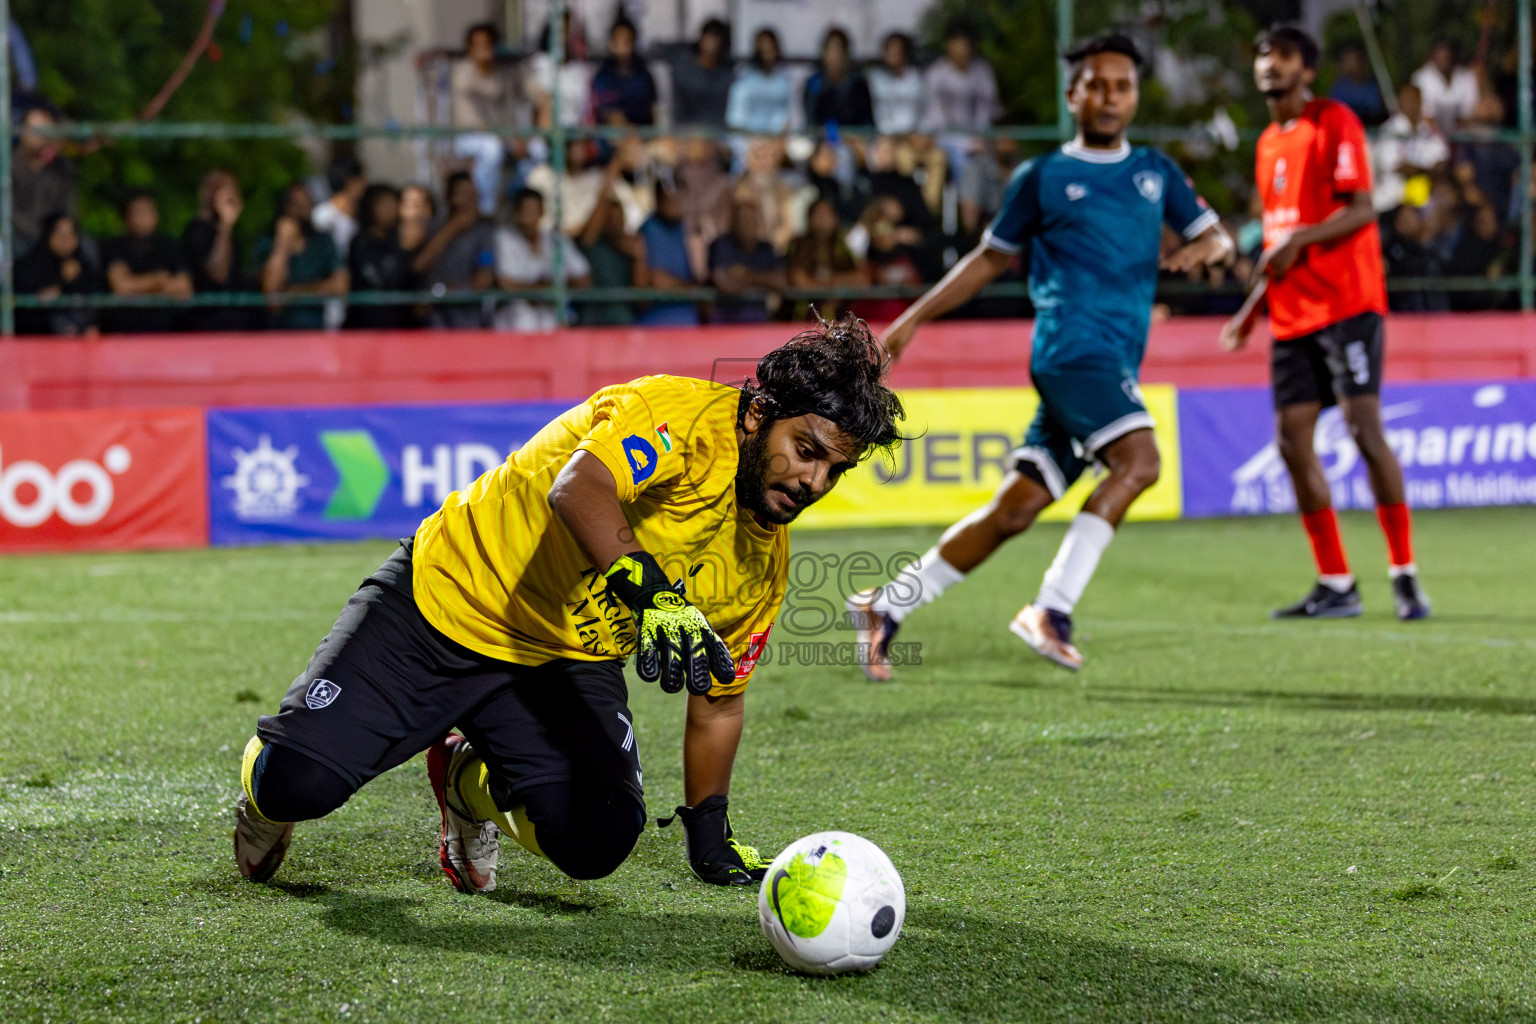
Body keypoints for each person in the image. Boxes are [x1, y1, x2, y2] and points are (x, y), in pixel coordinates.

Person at [231, 316, 906, 892]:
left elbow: (721, 697)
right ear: (760, 415)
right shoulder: (677, 414)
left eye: (834, 468)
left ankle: (466, 780)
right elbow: (578, 489)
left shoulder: (764, 558)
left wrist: (708, 832)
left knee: (600, 838)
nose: (814, 479)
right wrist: (654, 596)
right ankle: (270, 793)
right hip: (448, 601)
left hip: (561, 657)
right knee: (297, 785)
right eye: (806, 450)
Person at [847, 34, 1233, 676]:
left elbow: (1216, 234)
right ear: (1072, 94)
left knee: (1017, 509)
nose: (1110, 97)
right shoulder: (1045, 177)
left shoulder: (1156, 172)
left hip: (1111, 362)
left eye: (1123, 86)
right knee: (1140, 463)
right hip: (1071, 353)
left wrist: (1209, 250)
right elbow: (988, 260)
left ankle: (888, 603)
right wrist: (912, 318)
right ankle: (1051, 609)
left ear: (1134, 96)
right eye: (1097, 85)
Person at [1220, 27, 1429, 622]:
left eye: (1283, 57)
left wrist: (1301, 242)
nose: (1270, 65)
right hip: (1290, 314)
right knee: (1291, 442)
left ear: (1305, 71)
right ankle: (1336, 582)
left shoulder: (1333, 121)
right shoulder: (1265, 145)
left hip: (1346, 305)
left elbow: (1361, 209)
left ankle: (1404, 573)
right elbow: (1277, 241)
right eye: (1263, 56)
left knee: (1366, 430)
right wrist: (1248, 311)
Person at [252, 182, 349, 331]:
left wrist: (296, 293)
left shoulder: (322, 241)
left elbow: (340, 285)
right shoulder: (268, 242)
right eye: (298, 204)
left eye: (308, 201)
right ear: (286, 207)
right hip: (277, 334)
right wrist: (282, 245)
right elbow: (272, 298)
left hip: (314, 332)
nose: (305, 208)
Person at [493, 187, 592, 331]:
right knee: (522, 318)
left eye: (534, 210)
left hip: (552, 317)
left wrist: (543, 289)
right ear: (516, 213)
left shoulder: (557, 241)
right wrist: (548, 288)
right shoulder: (504, 238)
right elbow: (506, 284)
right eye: (525, 210)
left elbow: (583, 279)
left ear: (542, 212)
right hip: (515, 319)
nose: (529, 216)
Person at [450, 22, 523, 215]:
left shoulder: (503, 73)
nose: (484, 49)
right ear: (470, 48)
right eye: (478, 45)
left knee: (537, 151)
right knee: (491, 149)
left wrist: (519, 138)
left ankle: (514, 203)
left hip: (502, 135)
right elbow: (476, 123)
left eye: (488, 44)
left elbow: (528, 97)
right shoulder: (462, 72)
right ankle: (485, 208)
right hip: (469, 137)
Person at [101, 191, 193, 334]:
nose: (143, 217)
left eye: (148, 211)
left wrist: (138, 284)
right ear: (126, 217)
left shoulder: (169, 245)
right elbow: (122, 287)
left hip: (164, 331)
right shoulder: (114, 246)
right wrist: (158, 282)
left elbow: (184, 288)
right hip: (124, 331)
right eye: (138, 211)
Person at [412, 172, 496, 328]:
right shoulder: (431, 227)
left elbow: (484, 279)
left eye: (473, 195)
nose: (470, 201)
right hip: (434, 318)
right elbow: (419, 265)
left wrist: (445, 292)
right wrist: (453, 227)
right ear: (449, 197)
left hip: (469, 318)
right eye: (463, 194)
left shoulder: (484, 233)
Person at [922, 24, 1001, 181]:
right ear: (949, 45)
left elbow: (988, 109)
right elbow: (936, 121)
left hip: (980, 139)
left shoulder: (982, 71)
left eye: (966, 44)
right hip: (947, 139)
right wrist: (967, 143)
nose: (963, 49)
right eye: (959, 44)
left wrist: (979, 138)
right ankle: (960, 203)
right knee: (962, 163)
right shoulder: (936, 74)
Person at [182, 169, 253, 331]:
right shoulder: (196, 230)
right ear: (207, 193)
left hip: (236, 320)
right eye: (224, 191)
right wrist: (225, 225)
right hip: (206, 323)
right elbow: (217, 275)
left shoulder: (229, 231)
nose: (231, 198)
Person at [15, 212, 100, 336]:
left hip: (81, 342)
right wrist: (63, 279)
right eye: (60, 234)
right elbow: (39, 301)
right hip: (39, 338)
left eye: (71, 234)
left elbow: (93, 302)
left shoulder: (83, 266)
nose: (66, 240)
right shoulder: (29, 266)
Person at [347, 183, 418, 329]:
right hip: (365, 324)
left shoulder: (404, 238)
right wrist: (403, 252)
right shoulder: (360, 242)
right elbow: (380, 279)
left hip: (400, 325)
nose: (389, 210)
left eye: (393, 204)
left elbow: (411, 278)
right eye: (383, 205)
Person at [1371, 83, 1449, 213]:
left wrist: (1418, 169)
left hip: (1425, 193)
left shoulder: (1426, 130)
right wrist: (1426, 168)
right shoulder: (1389, 131)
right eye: (1408, 100)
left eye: (1416, 100)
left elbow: (1442, 157)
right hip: (1393, 198)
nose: (1413, 105)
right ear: (1400, 102)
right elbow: (1396, 167)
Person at [12, 102, 76, 258]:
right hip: (19, 236)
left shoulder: (62, 166)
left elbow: (68, 208)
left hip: (53, 236)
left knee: (85, 250)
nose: (41, 135)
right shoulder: (9, 163)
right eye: (34, 129)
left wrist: (62, 230)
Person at [786, 196, 866, 319]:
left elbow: (861, 279)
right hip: (805, 315)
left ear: (835, 218)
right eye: (818, 214)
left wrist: (834, 286)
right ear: (809, 218)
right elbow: (800, 282)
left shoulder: (842, 247)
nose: (822, 219)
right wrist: (835, 287)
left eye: (826, 214)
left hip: (840, 317)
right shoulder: (799, 245)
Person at [709, 198, 786, 323]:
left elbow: (781, 282)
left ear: (758, 222)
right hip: (725, 323)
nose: (747, 224)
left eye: (751, 219)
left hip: (758, 322)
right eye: (742, 220)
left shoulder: (766, 248)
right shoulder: (722, 245)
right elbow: (724, 284)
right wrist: (764, 282)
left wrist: (746, 275)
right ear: (733, 223)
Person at [636, 182, 699, 326]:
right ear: (659, 200)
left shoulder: (689, 230)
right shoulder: (648, 229)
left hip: (688, 325)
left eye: (678, 197)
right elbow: (655, 281)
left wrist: (678, 285)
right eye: (669, 198)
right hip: (654, 324)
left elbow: (701, 282)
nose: (675, 202)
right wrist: (686, 288)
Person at [576, 197, 639, 326]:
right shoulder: (593, 246)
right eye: (609, 218)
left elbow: (642, 297)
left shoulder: (631, 247)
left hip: (622, 320)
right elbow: (588, 236)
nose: (614, 223)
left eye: (618, 218)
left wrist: (639, 258)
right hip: (592, 320)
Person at [590, 17, 657, 127]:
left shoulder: (644, 75)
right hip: (615, 138)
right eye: (620, 41)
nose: (624, 45)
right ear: (611, 44)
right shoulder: (603, 77)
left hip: (645, 136)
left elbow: (654, 112)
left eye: (628, 40)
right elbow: (612, 117)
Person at [726, 29, 794, 135]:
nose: (768, 55)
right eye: (764, 51)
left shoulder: (784, 81)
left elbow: (787, 117)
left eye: (771, 50)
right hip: (747, 140)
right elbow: (736, 120)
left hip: (776, 141)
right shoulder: (744, 79)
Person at [804, 27, 873, 128]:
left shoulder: (858, 84)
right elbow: (811, 121)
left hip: (854, 139)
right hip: (821, 139)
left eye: (838, 51)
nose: (834, 57)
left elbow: (866, 123)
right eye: (829, 51)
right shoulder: (814, 83)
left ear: (846, 54)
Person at [671, 18, 733, 129]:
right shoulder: (684, 69)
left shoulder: (728, 73)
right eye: (710, 37)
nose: (712, 44)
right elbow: (679, 111)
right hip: (688, 134)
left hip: (720, 134)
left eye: (717, 38)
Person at [1411, 40, 1479, 134]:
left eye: (1447, 57)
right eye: (1440, 57)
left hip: (1459, 135)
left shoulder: (1466, 76)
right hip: (1428, 136)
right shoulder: (1421, 78)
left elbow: (1468, 113)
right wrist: (1441, 140)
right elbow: (1426, 116)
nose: (1444, 60)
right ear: (1433, 56)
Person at [868, 32, 925, 137]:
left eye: (897, 51)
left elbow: (919, 113)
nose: (893, 54)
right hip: (886, 135)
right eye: (889, 51)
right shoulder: (876, 78)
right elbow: (881, 116)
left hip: (913, 135)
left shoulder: (916, 77)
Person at [1328, 43, 1387, 126]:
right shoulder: (1339, 88)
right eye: (1350, 60)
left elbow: (1379, 113)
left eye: (1356, 59)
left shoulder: (1374, 87)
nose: (1354, 64)